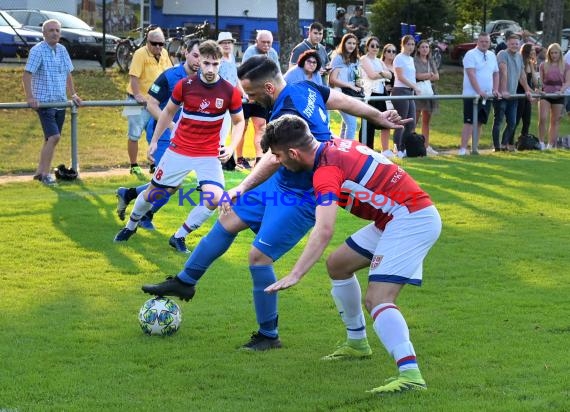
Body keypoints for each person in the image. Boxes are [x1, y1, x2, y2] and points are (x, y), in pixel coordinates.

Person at [140, 55, 409, 352]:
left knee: (258, 257)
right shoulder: (304, 86)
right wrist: (376, 116)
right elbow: (342, 100)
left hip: (303, 194)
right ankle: (185, 281)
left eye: (253, 95)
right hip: (281, 182)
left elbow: (272, 156)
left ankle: (269, 335)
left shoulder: (290, 107)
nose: (250, 100)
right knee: (228, 220)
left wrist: (241, 186)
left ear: (268, 88)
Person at [262, 114, 441, 394]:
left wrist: (296, 274)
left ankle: (410, 375)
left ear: (294, 153)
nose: (278, 162)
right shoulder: (333, 145)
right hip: (394, 216)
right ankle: (357, 342)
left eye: (278, 156)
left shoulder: (326, 171)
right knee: (338, 264)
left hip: (411, 218)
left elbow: (324, 230)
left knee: (378, 298)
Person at [114, 41, 245, 249]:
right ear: (198, 62)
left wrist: (230, 147)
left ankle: (179, 236)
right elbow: (167, 112)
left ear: (221, 64)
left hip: (208, 154)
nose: (210, 69)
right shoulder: (185, 85)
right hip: (180, 150)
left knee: (214, 198)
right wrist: (155, 141)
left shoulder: (229, 91)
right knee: (153, 193)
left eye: (215, 64)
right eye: (206, 63)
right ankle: (131, 225)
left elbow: (239, 122)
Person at [115, 40, 201, 234]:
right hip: (164, 135)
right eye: (195, 55)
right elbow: (151, 104)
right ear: (185, 52)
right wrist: (171, 126)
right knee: (169, 182)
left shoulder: (204, 79)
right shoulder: (169, 76)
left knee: (173, 184)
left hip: (188, 139)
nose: (199, 61)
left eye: (202, 57)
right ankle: (144, 216)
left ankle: (129, 194)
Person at [22, 19, 82, 186]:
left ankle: (39, 172)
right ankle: (46, 175)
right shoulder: (37, 51)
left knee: (50, 139)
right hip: (45, 103)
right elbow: (27, 75)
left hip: (61, 103)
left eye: (57, 30)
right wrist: (30, 97)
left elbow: (68, 74)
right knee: (54, 137)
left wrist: (74, 94)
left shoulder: (62, 50)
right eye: (51, 30)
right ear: (44, 33)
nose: (55, 33)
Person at [124, 27, 172, 179]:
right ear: (147, 41)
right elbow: (133, 76)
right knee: (134, 134)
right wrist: (137, 94)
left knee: (155, 134)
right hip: (135, 101)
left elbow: (169, 73)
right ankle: (134, 165)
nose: (158, 47)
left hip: (156, 102)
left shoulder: (164, 53)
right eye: (154, 43)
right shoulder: (140, 54)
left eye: (161, 44)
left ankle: (154, 163)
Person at [236, 30, 280, 169]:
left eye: (269, 43)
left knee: (261, 127)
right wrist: (247, 95)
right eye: (264, 42)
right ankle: (239, 158)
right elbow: (245, 75)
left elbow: (277, 73)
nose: (267, 45)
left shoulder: (272, 53)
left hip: (262, 96)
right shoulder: (250, 52)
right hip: (247, 96)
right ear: (257, 41)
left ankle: (259, 158)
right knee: (242, 127)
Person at [459, 32, 499, 156]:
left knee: (480, 122)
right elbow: (471, 74)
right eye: (482, 41)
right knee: (469, 122)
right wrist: (479, 91)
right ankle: (462, 149)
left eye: (486, 41)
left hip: (487, 95)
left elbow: (496, 73)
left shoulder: (492, 55)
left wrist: (495, 89)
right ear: (478, 42)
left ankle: (474, 149)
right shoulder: (470, 55)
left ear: (489, 42)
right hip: (472, 95)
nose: (484, 44)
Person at [492, 33, 532, 152]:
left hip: (513, 96)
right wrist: (503, 90)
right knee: (498, 122)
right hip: (501, 96)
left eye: (516, 43)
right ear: (507, 43)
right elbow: (503, 72)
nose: (514, 45)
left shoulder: (519, 57)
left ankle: (504, 145)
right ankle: (497, 147)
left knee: (512, 123)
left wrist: (527, 90)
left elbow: (522, 75)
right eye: (512, 43)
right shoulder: (502, 54)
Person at [359, 36, 393, 155]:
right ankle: (366, 150)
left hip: (381, 92)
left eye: (377, 46)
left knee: (384, 120)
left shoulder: (379, 61)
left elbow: (390, 75)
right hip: (370, 93)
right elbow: (371, 75)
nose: (375, 48)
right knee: (368, 124)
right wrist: (383, 74)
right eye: (372, 46)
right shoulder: (364, 59)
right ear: (367, 47)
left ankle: (384, 150)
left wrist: (380, 73)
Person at [217, 31, 246, 163]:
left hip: (231, 99)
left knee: (226, 128)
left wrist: (244, 94)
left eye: (229, 42)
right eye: (224, 43)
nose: (227, 45)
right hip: (219, 99)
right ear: (219, 45)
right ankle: (220, 159)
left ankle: (225, 159)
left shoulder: (232, 58)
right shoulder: (218, 60)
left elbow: (235, 80)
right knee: (220, 129)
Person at [329, 33, 362, 139]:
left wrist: (359, 84)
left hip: (352, 95)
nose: (351, 46)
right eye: (349, 43)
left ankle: (341, 149)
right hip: (339, 94)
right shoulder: (338, 57)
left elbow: (357, 77)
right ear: (344, 43)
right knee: (352, 124)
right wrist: (350, 86)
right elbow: (333, 80)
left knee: (346, 123)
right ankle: (348, 150)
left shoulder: (356, 59)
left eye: (354, 43)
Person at [538, 43, 570, 149]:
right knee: (542, 118)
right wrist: (540, 90)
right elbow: (540, 81)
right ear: (549, 54)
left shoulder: (565, 65)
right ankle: (541, 142)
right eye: (552, 53)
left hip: (558, 94)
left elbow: (567, 81)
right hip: (546, 94)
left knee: (555, 120)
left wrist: (561, 91)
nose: (554, 55)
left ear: (560, 53)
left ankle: (550, 145)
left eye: (556, 53)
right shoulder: (543, 65)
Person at [392, 35, 420, 158]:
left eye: (413, 44)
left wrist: (413, 88)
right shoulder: (399, 58)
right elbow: (401, 77)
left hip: (409, 91)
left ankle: (405, 147)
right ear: (403, 45)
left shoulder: (410, 59)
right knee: (401, 120)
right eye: (408, 44)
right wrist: (414, 87)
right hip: (400, 90)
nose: (411, 47)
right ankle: (397, 147)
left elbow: (411, 76)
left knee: (411, 121)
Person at [414, 40, 440, 155]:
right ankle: (409, 144)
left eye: (427, 47)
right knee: (414, 120)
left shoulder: (431, 60)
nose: (425, 49)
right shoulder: (414, 61)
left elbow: (437, 76)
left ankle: (426, 145)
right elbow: (416, 75)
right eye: (423, 47)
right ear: (418, 49)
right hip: (418, 92)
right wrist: (428, 75)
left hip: (429, 92)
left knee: (426, 121)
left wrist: (424, 77)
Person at [515, 43, 540, 139]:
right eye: (532, 50)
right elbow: (523, 83)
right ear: (526, 51)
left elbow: (534, 80)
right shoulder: (521, 63)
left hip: (527, 94)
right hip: (520, 93)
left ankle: (523, 139)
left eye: (534, 50)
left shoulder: (530, 63)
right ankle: (509, 142)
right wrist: (533, 93)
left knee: (527, 120)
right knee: (516, 120)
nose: (534, 52)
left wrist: (538, 89)